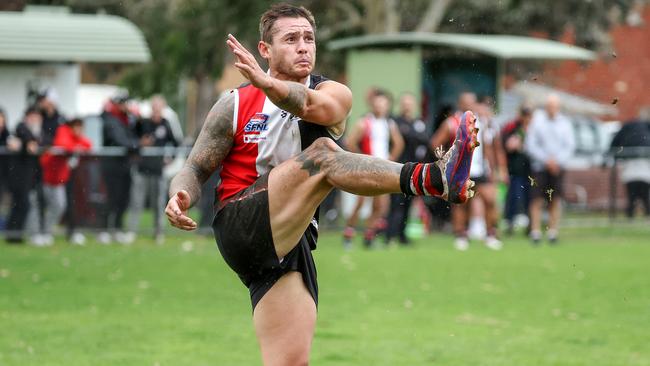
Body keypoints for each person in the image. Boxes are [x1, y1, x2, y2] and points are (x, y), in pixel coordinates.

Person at [165, 4, 478, 365]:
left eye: (309, 38)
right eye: (291, 39)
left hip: (289, 241)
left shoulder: (334, 93)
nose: (303, 47)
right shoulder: (232, 104)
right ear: (264, 50)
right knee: (323, 155)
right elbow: (195, 167)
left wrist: (269, 84)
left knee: (291, 362)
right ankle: (433, 178)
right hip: (240, 225)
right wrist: (180, 194)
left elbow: (314, 107)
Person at [431, 92, 505, 251]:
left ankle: (491, 234)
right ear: (461, 104)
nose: (470, 106)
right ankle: (460, 235)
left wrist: (494, 168)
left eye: (472, 103)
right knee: (461, 203)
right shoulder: (452, 122)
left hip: (480, 169)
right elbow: (436, 142)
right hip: (461, 170)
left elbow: (489, 146)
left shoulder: (482, 121)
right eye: (467, 103)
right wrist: (446, 162)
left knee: (490, 200)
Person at [342, 89, 404, 248]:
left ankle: (369, 236)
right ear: (372, 105)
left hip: (382, 168)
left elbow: (399, 143)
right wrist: (362, 159)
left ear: (388, 106)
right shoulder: (364, 122)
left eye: (383, 104)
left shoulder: (389, 124)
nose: (380, 106)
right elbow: (350, 142)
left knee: (381, 205)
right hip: (366, 168)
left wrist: (391, 159)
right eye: (377, 103)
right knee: (360, 202)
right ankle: (348, 234)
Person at [126, 95, 179, 244]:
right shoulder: (142, 123)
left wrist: (170, 159)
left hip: (158, 170)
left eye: (159, 108)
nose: (156, 111)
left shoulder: (166, 124)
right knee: (137, 201)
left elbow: (176, 143)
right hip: (142, 169)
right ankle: (132, 231)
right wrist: (139, 144)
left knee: (158, 203)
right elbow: (130, 140)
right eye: (154, 108)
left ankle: (158, 233)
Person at [525, 94, 575, 244]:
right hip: (540, 167)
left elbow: (569, 146)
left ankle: (553, 231)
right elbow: (531, 144)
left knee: (555, 198)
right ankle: (535, 232)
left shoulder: (565, 123)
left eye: (554, 106)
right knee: (536, 199)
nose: (552, 109)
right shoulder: (537, 122)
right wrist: (546, 160)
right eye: (549, 106)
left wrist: (556, 161)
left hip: (557, 168)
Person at [39, 118, 92, 244]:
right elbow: (64, 145)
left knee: (59, 206)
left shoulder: (75, 138)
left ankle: (47, 232)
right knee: (48, 206)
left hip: (59, 180)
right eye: (77, 127)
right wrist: (76, 147)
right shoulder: (63, 132)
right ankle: (43, 232)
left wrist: (77, 147)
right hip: (47, 178)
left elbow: (88, 145)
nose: (79, 130)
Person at [386, 92, 429, 245]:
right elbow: (410, 137)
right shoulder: (394, 121)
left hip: (414, 169)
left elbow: (425, 139)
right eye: (404, 103)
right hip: (397, 168)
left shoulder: (419, 122)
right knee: (395, 203)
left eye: (410, 103)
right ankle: (390, 235)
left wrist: (413, 135)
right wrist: (414, 135)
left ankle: (402, 235)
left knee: (408, 204)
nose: (407, 105)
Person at [98, 92, 139, 244]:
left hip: (123, 165)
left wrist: (135, 143)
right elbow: (122, 140)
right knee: (110, 199)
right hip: (111, 166)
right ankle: (103, 230)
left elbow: (133, 137)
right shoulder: (110, 119)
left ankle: (117, 228)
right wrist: (137, 145)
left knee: (123, 199)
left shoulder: (127, 119)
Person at [6, 107, 43, 244]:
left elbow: (42, 143)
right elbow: (27, 139)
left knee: (22, 205)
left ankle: (15, 234)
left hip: (29, 176)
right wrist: (28, 143)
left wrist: (29, 143)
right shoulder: (21, 127)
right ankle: (13, 234)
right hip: (18, 175)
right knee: (21, 204)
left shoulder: (38, 132)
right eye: (32, 116)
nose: (35, 119)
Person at [501, 105, 533, 234]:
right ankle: (509, 222)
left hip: (531, 170)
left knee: (530, 198)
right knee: (514, 196)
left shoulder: (534, 128)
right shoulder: (512, 127)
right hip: (515, 169)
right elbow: (505, 146)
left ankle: (531, 225)